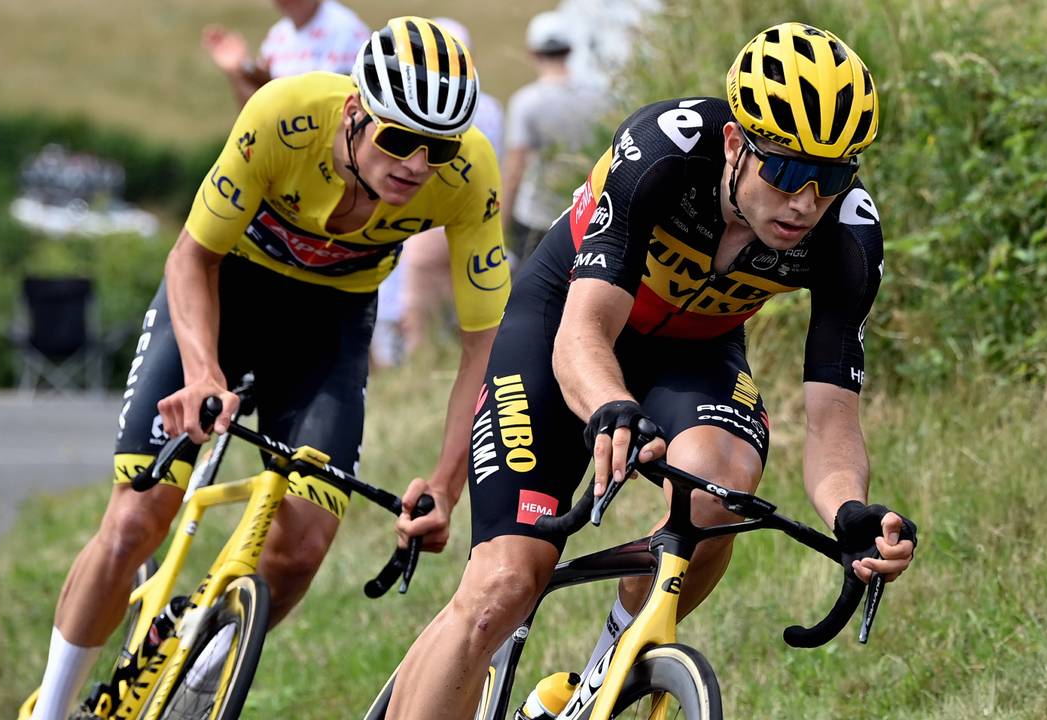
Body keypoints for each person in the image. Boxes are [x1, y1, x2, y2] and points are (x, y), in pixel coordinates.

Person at [384, 22, 918, 719]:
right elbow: (583, 333)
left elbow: (832, 421)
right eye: (786, 171)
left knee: (722, 487)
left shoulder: (847, 237)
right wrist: (611, 403)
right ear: (734, 145)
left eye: (832, 178)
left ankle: (608, 667)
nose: (805, 202)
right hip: (565, 318)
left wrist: (849, 511)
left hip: (695, 350)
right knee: (506, 585)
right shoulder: (664, 152)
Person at [25, 17, 509, 720]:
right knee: (134, 522)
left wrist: (446, 481)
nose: (416, 164)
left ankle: (197, 671)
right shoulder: (284, 116)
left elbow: (482, 343)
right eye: (398, 139)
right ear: (353, 113)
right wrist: (199, 373)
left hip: (328, 325)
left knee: (305, 544)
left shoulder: (469, 175)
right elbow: (192, 257)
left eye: (437, 147)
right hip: (228, 294)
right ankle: (53, 708)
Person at [373, 16, 507, 366]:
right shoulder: (489, 107)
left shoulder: (445, 107)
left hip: (429, 220)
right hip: (460, 218)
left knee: (412, 319)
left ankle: (411, 369)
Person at [500, 10, 606, 263]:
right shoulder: (599, 97)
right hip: (584, 211)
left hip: (534, 218)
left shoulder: (526, 102)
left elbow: (515, 169)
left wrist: (501, 224)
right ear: (570, 50)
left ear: (532, 53)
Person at [201, 0, 368, 107]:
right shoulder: (277, 36)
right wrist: (238, 71)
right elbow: (259, 112)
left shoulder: (346, 30)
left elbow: (332, 106)